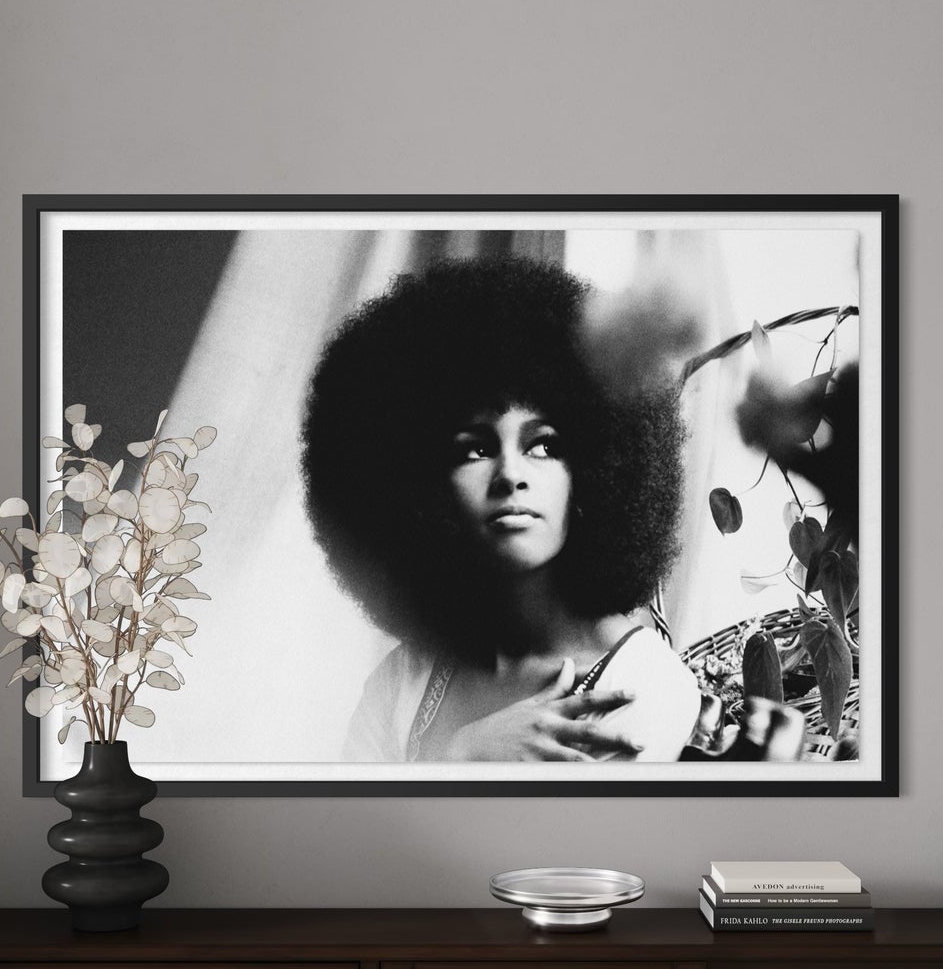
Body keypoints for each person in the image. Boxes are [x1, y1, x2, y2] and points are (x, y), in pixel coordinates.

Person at [300, 256, 703, 762]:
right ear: (422, 485)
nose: (511, 474)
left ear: (597, 472)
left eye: (544, 446)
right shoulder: (404, 680)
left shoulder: (642, 684)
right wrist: (460, 756)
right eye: (475, 449)